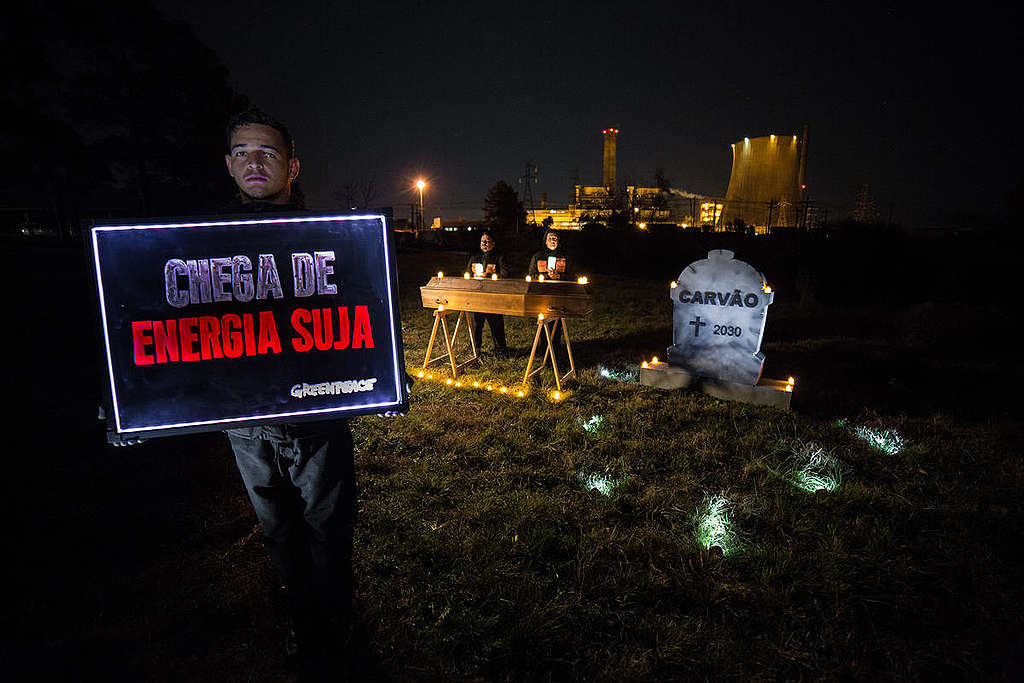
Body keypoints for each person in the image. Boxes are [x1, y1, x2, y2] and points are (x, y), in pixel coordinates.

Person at [222, 108, 357, 668]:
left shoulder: (329, 237)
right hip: (245, 419)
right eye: (244, 152)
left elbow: (359, 320)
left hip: (318, 415)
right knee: (276, 528)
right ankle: (303, 623)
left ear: (293, 167)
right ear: (228, 165)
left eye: (269, 152)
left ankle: (338, 629)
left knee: (328, 529)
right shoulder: (197, 242)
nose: (256, 161)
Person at [465, 231, 510, 357]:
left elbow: (506, 274)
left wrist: (490, 276)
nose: (484, 243)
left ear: (493, 244)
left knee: (496, 323)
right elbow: (467, 274)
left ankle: (501, 350)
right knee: (476, 324)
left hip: (493, 296)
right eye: (482, 241)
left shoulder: (499, 257)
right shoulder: (474, 258)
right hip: (477, 296)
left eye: (487, 241)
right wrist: (473, 276)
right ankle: (475, 350)